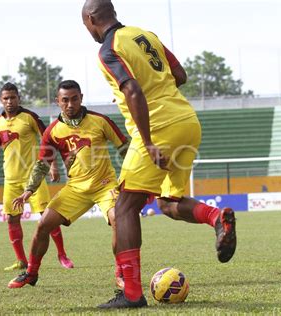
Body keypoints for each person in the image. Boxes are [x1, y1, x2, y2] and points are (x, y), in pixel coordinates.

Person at [82, 0, 237, 308]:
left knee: (124, 207)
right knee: (168, 202)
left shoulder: (108, 49)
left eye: (85, 25)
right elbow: (179, 74)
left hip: (158, 128)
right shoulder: (145, 35)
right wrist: (161, 89)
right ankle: (217, 217)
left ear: (90, 19)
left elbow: (134, 91)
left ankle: (131, 294)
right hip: (186, 121)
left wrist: (150, 142)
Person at [7, 80, 128, 289]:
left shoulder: (100, 121)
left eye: (74, 99)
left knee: (119, 220)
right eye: (65, 100)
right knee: (43, 225)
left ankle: (121, 273)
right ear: (58, 102)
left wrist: (130, 177)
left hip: (105, 185)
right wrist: (29, 190)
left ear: (81, 98)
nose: (70, 104)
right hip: (75, 188)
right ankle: (31, 273)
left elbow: (124, 148)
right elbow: (43, 163)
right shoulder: (53, 131)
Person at [0, 82, 74, 271]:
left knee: (48, 217)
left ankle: (62, 255)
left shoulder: (29, 117)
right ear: (1, 100)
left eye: (13, 97)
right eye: (6, 98)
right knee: (12, 219)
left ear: (19, 98)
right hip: (11, 180)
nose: (9, 101)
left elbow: (48, 139)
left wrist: (52, 166)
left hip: (34, 178)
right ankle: (21, 260)